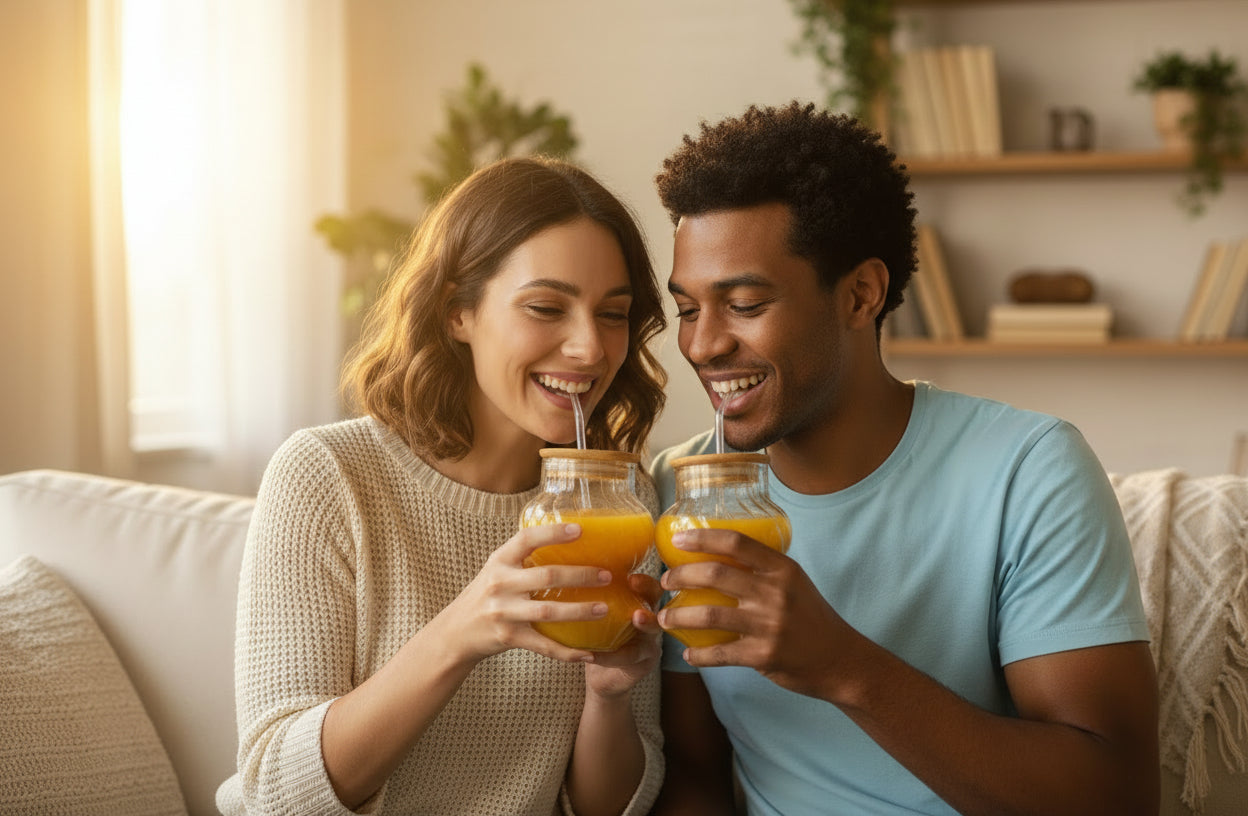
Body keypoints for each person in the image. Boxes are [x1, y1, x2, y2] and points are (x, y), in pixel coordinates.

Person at [648, 103, 1159, 816]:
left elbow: (1118, 795)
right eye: (688, 310)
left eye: (744, 303)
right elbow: (696, 776)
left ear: (862, 295)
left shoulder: (1027, 470)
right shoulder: (680, 488)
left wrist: (844, 668)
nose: (703, 346)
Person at [215, 156, 668, 816]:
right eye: (546, 307)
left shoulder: (623, 502)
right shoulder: (327, 476)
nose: (589, 350)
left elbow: (607, 810)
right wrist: (461, 632)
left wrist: (610, 695)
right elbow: (276, 795)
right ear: (459, 310)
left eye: (613, 314)